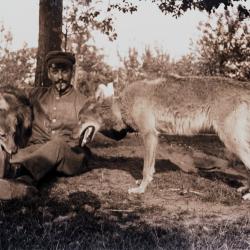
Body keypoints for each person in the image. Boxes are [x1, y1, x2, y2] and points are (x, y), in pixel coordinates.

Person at [0, 51, 91, 200]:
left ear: (72, 72)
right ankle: (9, 182)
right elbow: (12, 95)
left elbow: (107, 123)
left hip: (69, 155)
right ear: (49, 73)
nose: (60, 77)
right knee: (7, 148)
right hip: (35, 151)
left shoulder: (83, 102)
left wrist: (122, 125)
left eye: (64, 71)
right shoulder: (36, 94)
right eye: (55, 71)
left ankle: (19, 182)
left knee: (57, 144)